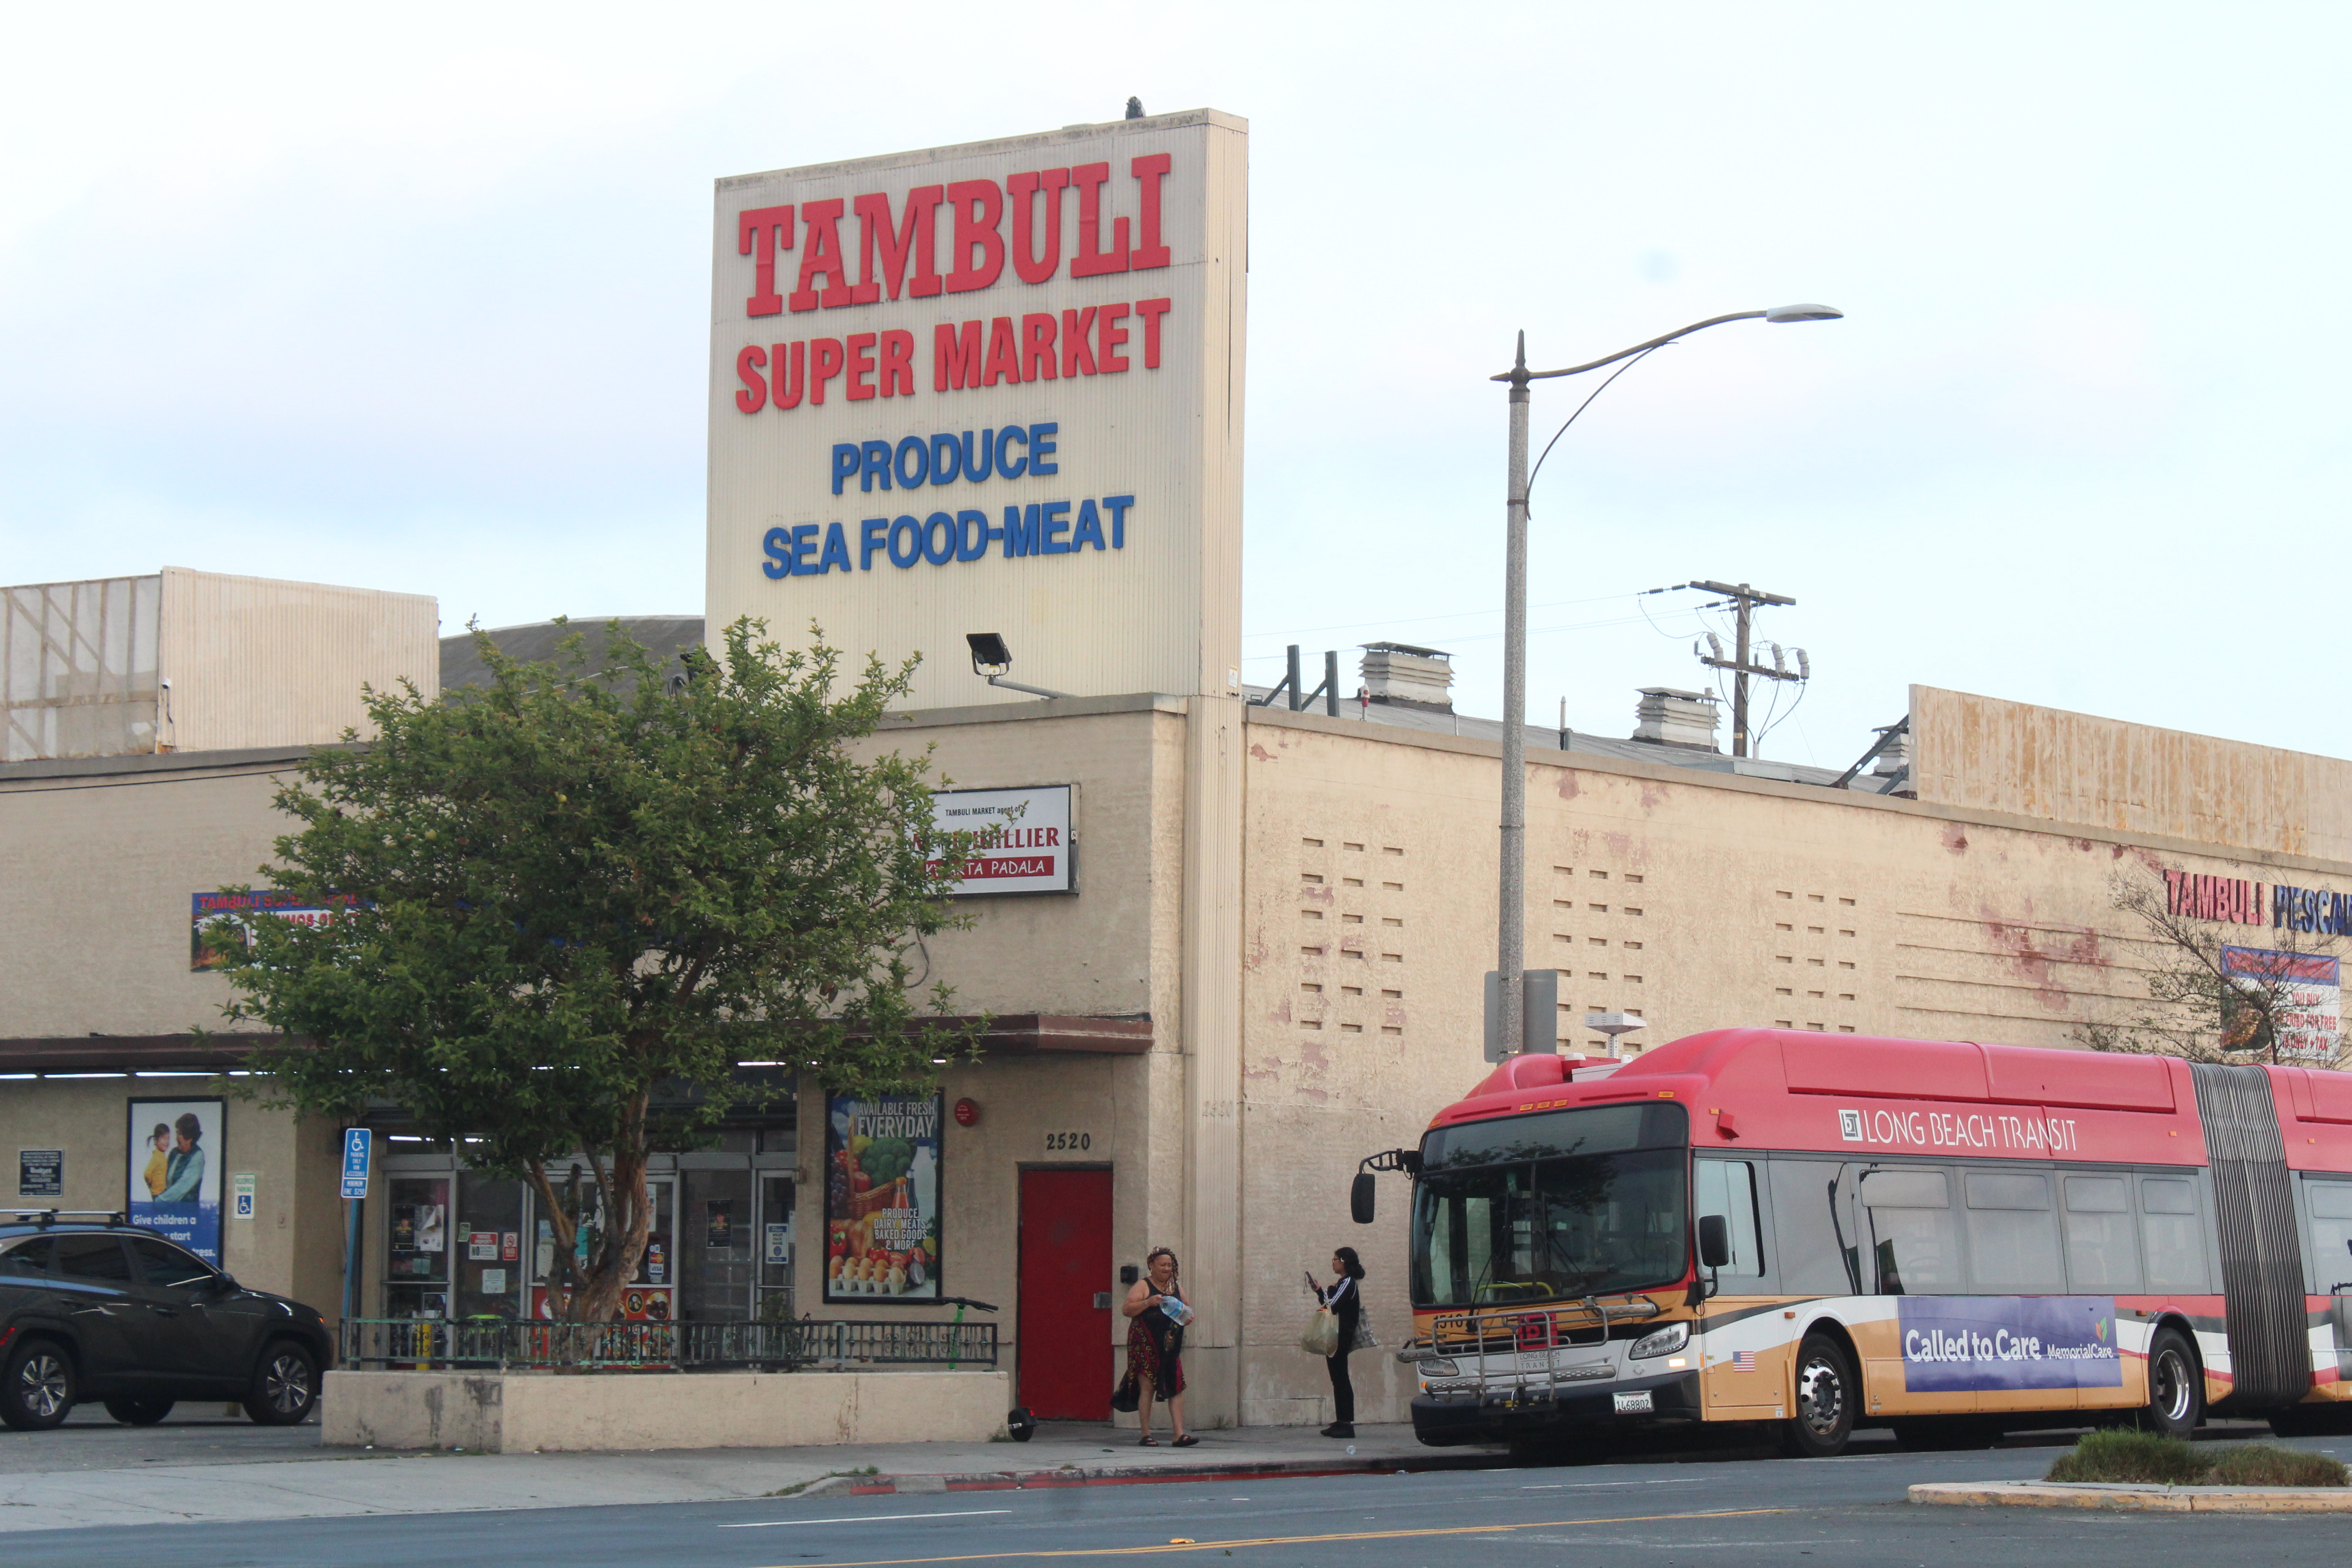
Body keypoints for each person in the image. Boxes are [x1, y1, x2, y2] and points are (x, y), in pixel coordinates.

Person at [1115, 1246, 1196, 1447]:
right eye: (1162, 1265)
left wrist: (1187, 1317)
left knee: (1176, 1387)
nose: (1166, 1269)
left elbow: (1186, 1308)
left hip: (1170, 1345)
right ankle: (1146, 1434)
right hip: (1145, 1343)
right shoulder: (1144, 1285)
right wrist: (1148, 1303)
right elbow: (1127, 1309)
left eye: (1169, 1265)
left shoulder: (1176, 1286)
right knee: (1148, 1387)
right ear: (1152, 1265)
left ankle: (1179, 1434)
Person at [1305, 1246, 1367, 1438]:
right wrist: (1319, 1291)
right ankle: (1341, 1421)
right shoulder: (1345, 1283)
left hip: (1341, 1337)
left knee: (1341, 1379)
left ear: (1343, 1262)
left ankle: (1346, 1424)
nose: (1332, 1263)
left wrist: (1327, 1291)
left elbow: (1331, 1305)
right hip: (1339, 1337)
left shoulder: (1348, 1283)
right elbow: (1329, 1303)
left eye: (1335, 1260)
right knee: (1338, 1379)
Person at [157, 1112, 206, 1203]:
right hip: (170, 1213)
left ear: (189, 1137)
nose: (177, 1138)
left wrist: (158, 1202)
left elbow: (181, 1188)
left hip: (186, 1214)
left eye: (180, 1134)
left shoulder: (197, 1156)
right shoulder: (174, 1153)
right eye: (177, 1133)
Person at [141, 1124, 172, 1198]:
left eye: (168, 1138)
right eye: (164, 1138)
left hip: (163, 1192)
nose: (167, 1142)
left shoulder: (162, 1155)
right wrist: (153, 1187)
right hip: (159, 1194)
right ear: (156, 1140)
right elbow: (147, 1173)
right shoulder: (157, 1157)